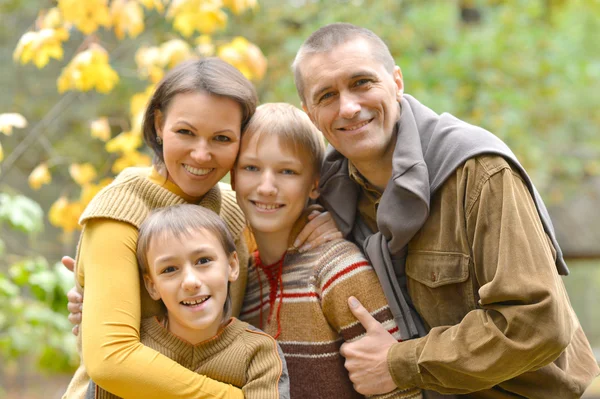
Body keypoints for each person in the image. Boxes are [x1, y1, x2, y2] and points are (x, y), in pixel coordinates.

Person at [292, 23, 600, 397]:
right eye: (327, 95)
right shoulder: (329, 196)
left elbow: (537, 322)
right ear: (310, 114)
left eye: (361, 82)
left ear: (397, 82)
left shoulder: (480, 173)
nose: (349, 107)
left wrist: (399, 363)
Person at [62, 57, 337, 399]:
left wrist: (323, 220)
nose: (201, 154)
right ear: (160, 123)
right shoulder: (119, 216)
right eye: (185, 132)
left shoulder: (233, 207)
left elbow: (283, 216)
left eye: (221, 138)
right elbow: (112, 360)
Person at [234, 103, 421, 399]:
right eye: (251, 168)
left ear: (314, 184)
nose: (267, 186)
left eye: (287, 171)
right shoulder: (240, 278)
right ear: (232, 176)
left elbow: (400, 390)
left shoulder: (338, 271)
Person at [87, 204, 289, 399]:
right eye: (169, 269)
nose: (190, 282)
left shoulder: (258, 352)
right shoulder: (131, 350)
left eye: (203, 261)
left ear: (232, 265)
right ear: (152, 286)